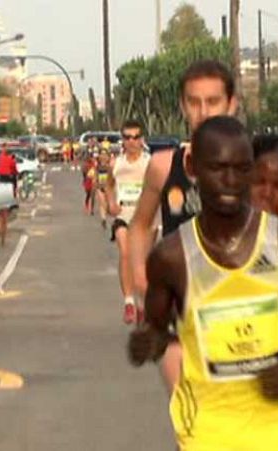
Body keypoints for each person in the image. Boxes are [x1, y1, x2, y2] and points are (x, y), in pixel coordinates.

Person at [127, 116, 278, 450]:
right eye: (217, 168)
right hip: (209, 431)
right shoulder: (171, 257)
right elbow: (157, 332)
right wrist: (145, 342)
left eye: (242, 170)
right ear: (193, 168)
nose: (230, 181)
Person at [128, 59, 238, 390]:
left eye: (213, 101)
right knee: (189, 416)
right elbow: (140, 225)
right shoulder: (164, 167)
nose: (203, 111)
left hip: (236, 310)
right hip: (178, 311)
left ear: (231, 104)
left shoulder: (251, 169)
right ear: (182, 106)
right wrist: (141, 280)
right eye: (194, 102)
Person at [106, 120, 152, 324]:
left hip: (145, 216)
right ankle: (129, 303)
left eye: (135, 137)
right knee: (125, 253)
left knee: (142, 261)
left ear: (142, 140)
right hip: (123, 213)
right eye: (127, 137)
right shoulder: (116, 164)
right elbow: (108, 185)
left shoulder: (150, 163)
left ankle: (142, 303)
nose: (131, 142)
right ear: (122, 140)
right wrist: (110, 203)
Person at [95, 150, 113, 228]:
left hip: (109, 188)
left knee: (109, 204)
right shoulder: (97, 166)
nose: (103, 156)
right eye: (101, 154)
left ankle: (112, 219)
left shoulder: (111, 166)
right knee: (102, 204)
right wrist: (96, 184)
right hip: (100, 187)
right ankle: (103, 219)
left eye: (105, 154)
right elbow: (95, 177)